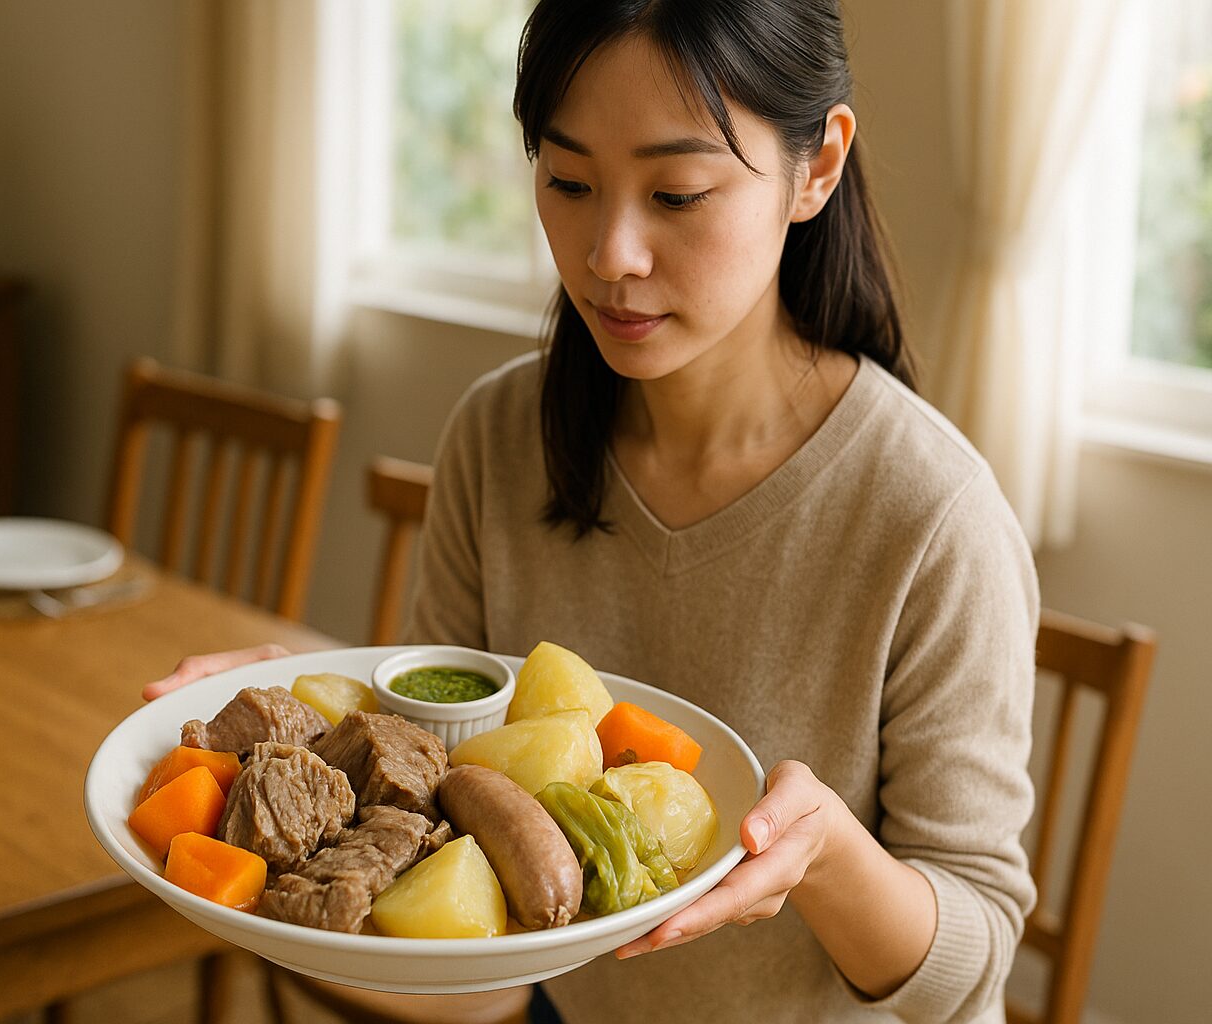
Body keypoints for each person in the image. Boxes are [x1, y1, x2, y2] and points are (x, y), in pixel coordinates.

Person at [146, 2, 1038, 1022]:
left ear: (817, 167)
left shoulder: (931, 514)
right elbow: (478, 961)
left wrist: (827, 856)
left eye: (677, 191)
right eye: (568, 181)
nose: (611, 252)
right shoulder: (498, 436)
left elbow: (972, 963)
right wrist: (270, 787)